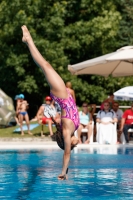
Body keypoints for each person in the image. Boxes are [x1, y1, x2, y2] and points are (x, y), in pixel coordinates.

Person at [21, 25, 79, 180]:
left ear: (67, 142)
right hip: (64, 94)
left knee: (45, 65)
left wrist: (63, 172)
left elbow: (66, 153)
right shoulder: (73, 128)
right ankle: (28, 41)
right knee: (45, 66)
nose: (77, 143)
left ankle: (28, 40)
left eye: (73, 145)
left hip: (61, 95)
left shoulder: (67, 132)